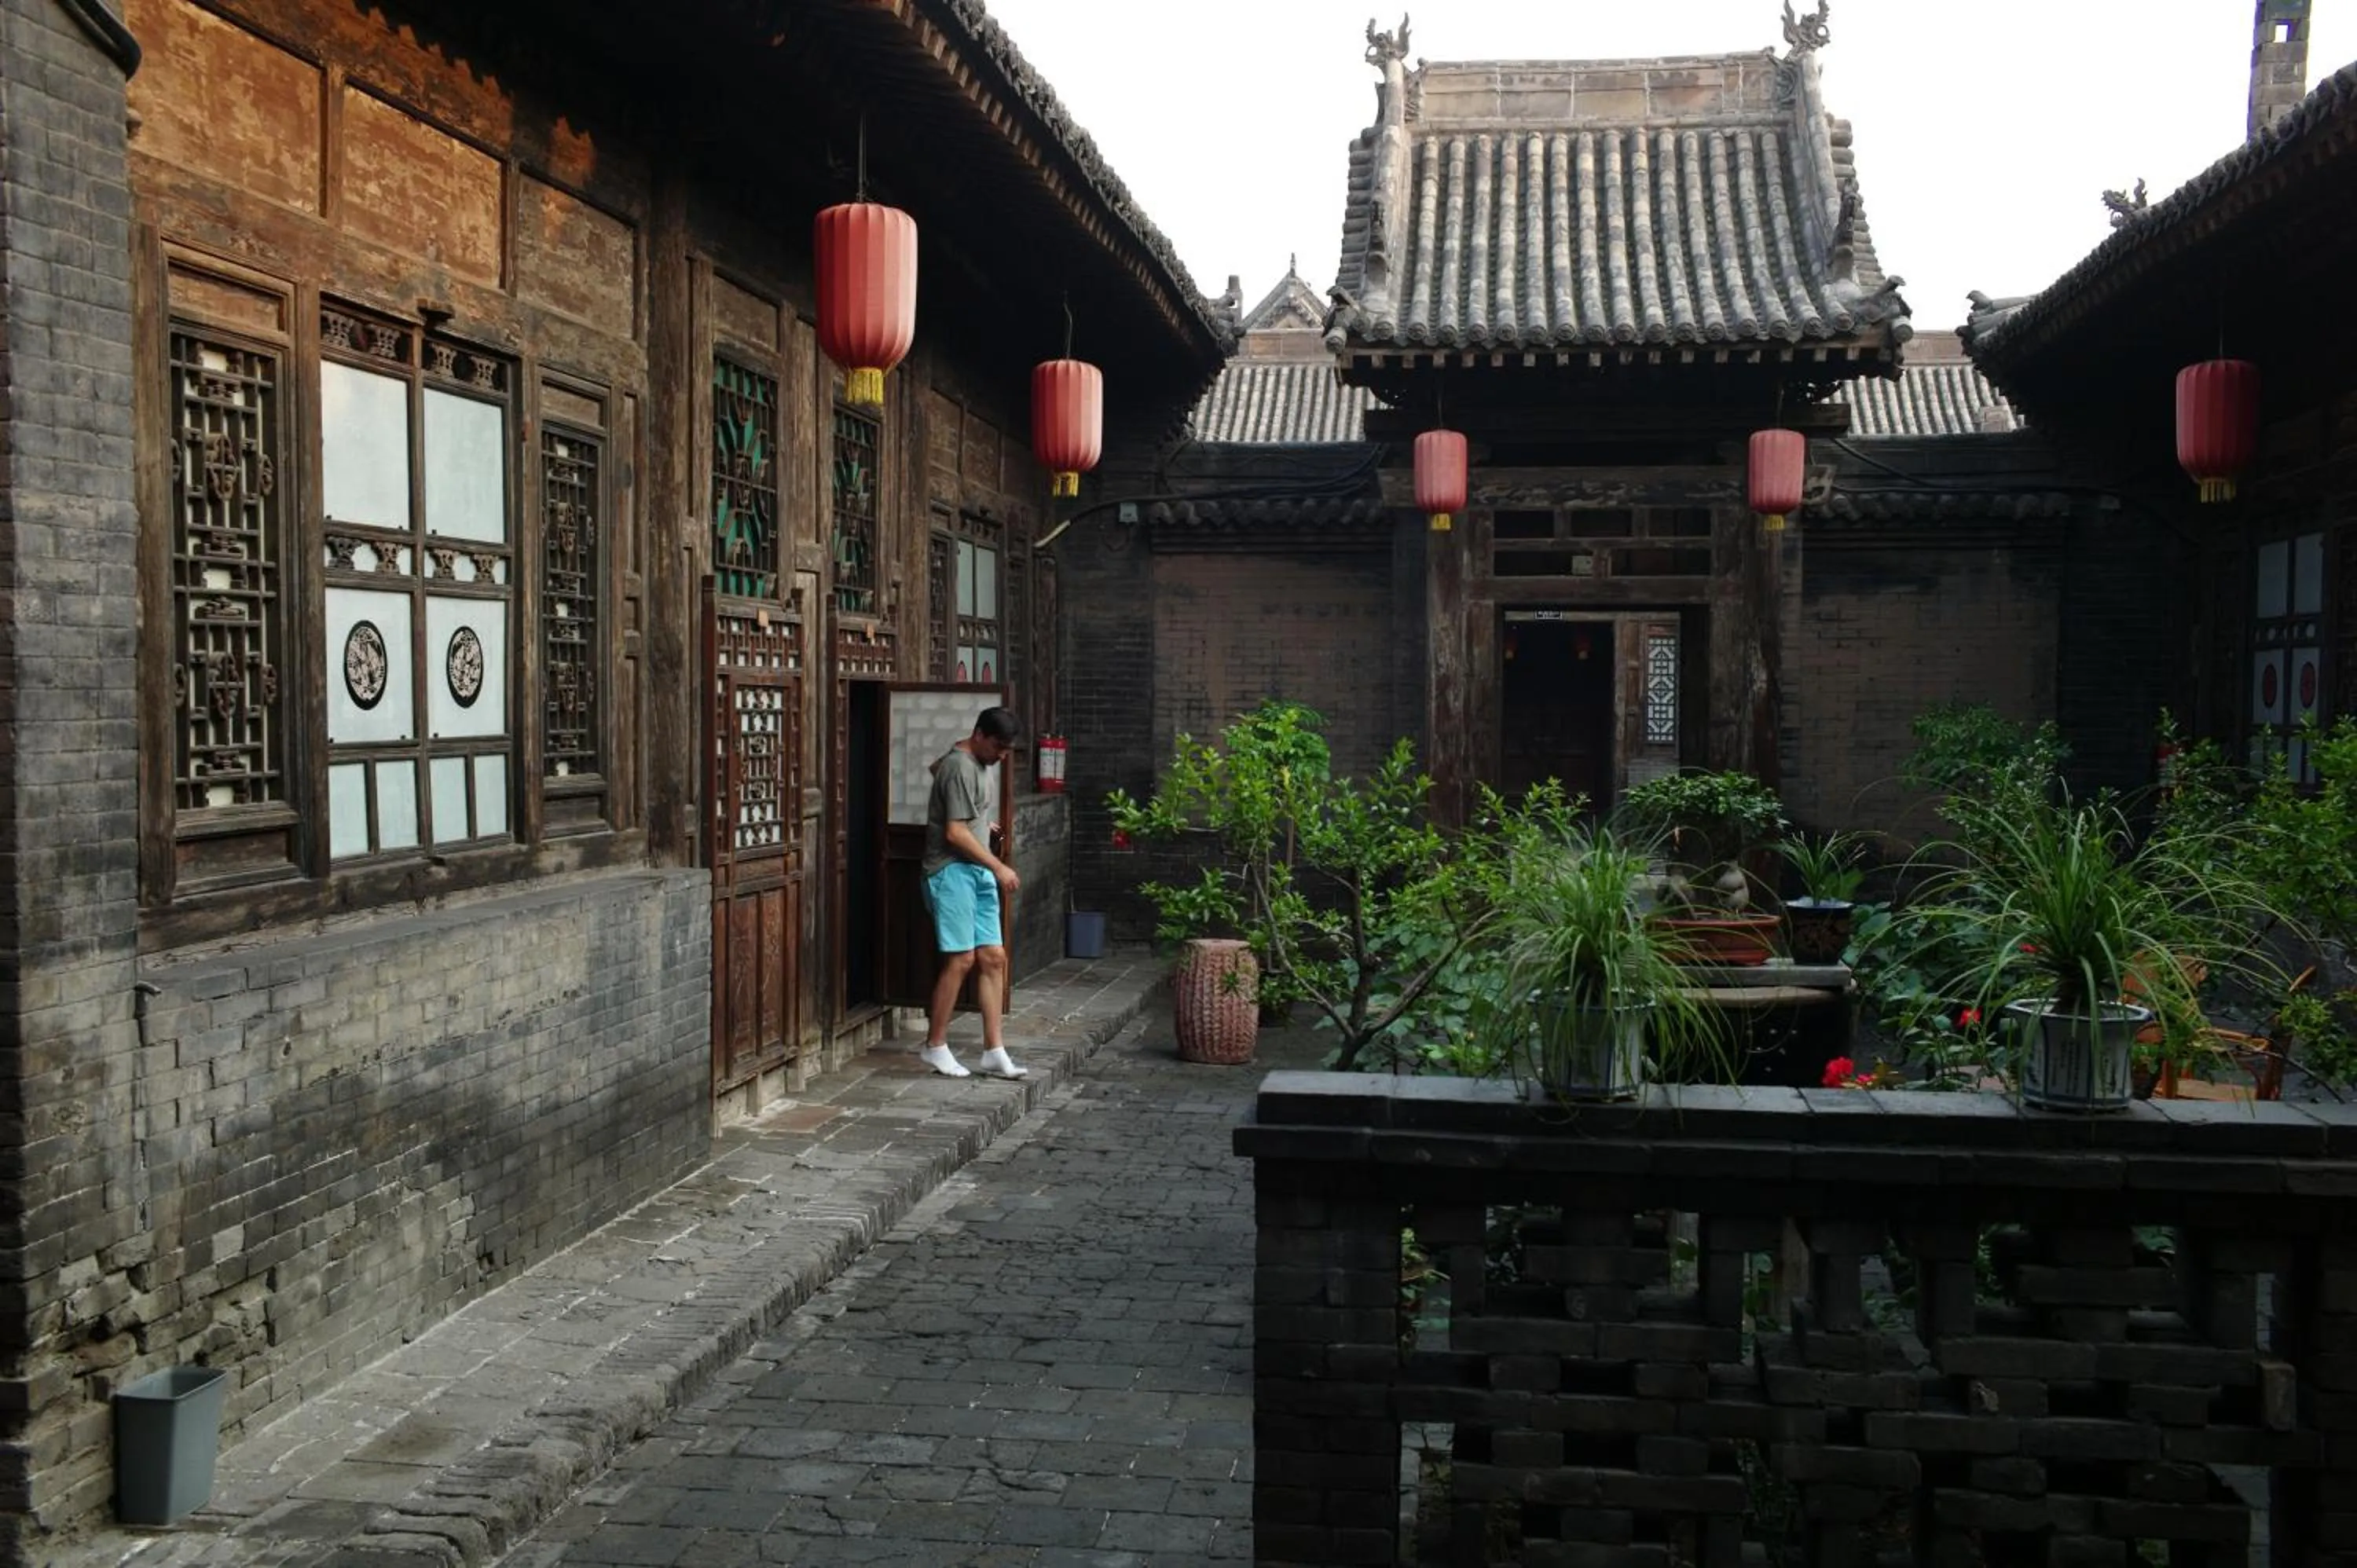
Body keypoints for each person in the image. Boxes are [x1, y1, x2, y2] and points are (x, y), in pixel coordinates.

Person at [918, 706, 1028, 1079]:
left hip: (975, 870)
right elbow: (954, 832)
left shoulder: (974, 764)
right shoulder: (960, 765)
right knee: (962, 959)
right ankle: (935, 1045)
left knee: (994, 957)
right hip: (951, 871)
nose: (1001, 755)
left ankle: (994, 1050)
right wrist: (998, 865)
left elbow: (938, 775)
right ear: (979, 734)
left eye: (1007, 750)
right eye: (997, 746)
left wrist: (981, 821)